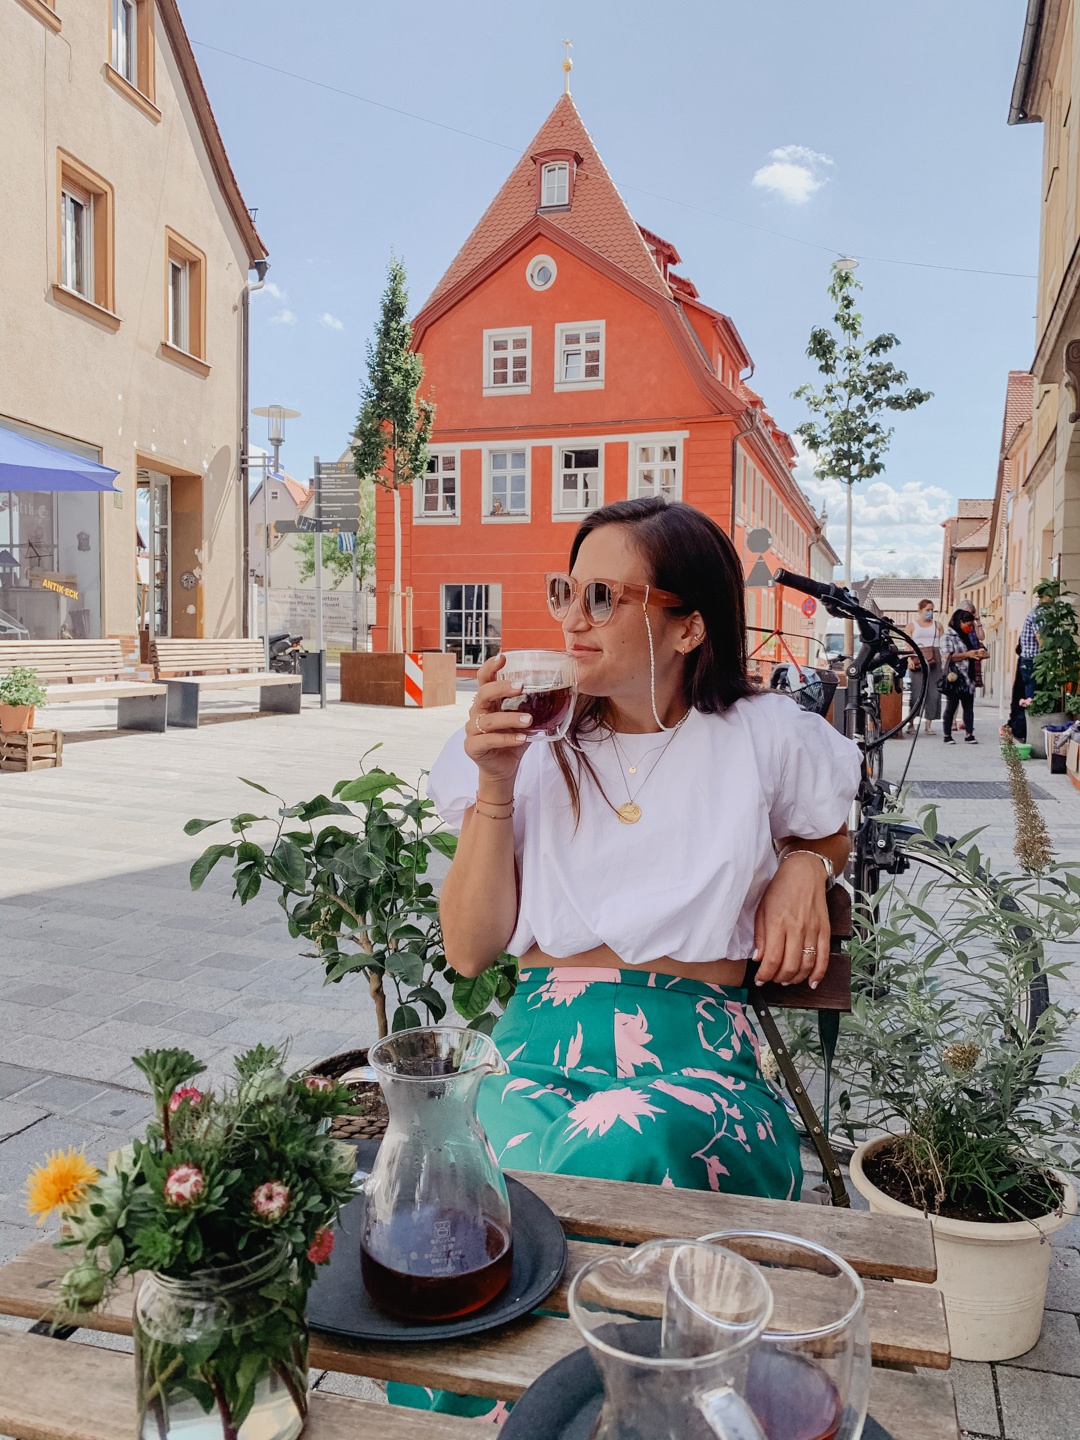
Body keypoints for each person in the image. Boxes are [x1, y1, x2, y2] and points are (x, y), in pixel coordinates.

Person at [397, 498, 861, 1423]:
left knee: (628, 1139)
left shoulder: (762, 738)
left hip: (694, 1057)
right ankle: (538, 1411)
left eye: (603, 595)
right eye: (567, 589)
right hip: (536, 1042)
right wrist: (494, 784)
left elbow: (833, 824)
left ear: (688, 626)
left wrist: (808, 863)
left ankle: (588, 1407)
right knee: (472, 1166)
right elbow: (471, 948)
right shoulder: (530, 741)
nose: (571, 618)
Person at [940, 608, 988, 744]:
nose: (969, 628)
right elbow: (947, 656)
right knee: (951, 706)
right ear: (960, 622)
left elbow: (976, 648)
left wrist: (979, 654)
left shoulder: (967, 636)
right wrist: (967, 654)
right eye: (968, 625)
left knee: (968, 707)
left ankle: (969, 734)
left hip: (968, 676)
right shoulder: (948, 636)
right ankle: (947, 734)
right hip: (955, 677)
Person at [904, 599, 944, 735]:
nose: (930, 612)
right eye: (927, 610)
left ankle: (928, 724)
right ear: (920, 611)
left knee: (934, 693)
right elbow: (907, 643)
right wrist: (909, 658)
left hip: (934, 657)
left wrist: (944, 661)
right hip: (917, 657)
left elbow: (942, 644)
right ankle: (911, 723)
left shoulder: (937, 625)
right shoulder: (912, 625)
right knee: (916, 692)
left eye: (932, 610)